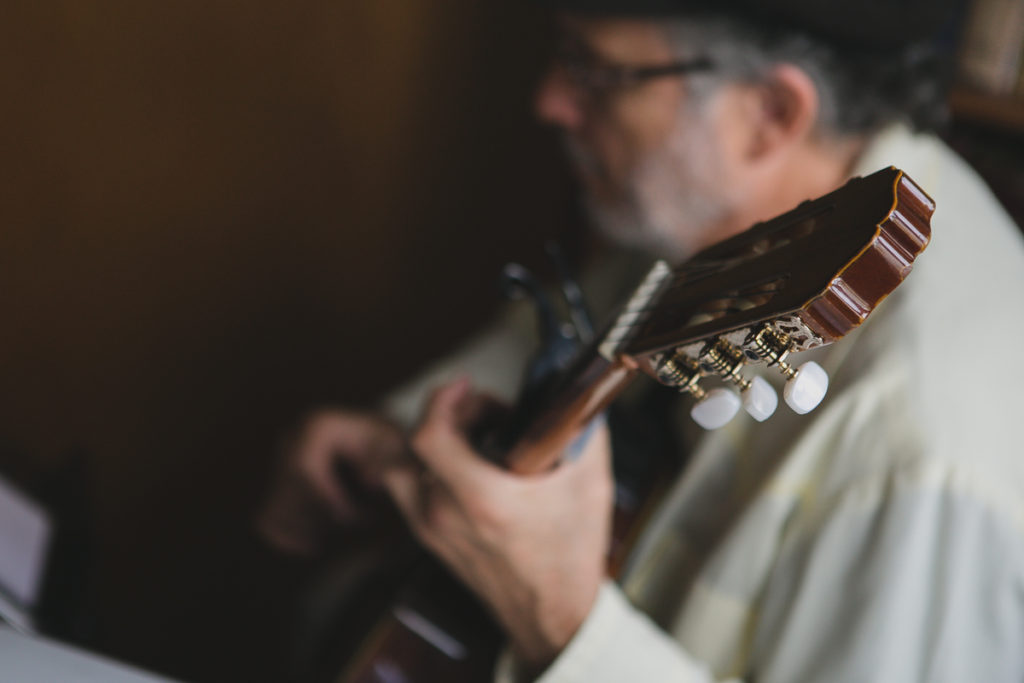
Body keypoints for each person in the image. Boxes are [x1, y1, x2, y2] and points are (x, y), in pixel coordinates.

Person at [260, 1, 1024, 680]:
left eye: (595, 70)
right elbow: (556, 335)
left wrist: (562, 622)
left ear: (770, 111)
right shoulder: (723, 202)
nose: (549, 100)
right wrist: (401, 438)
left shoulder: (918, 455)